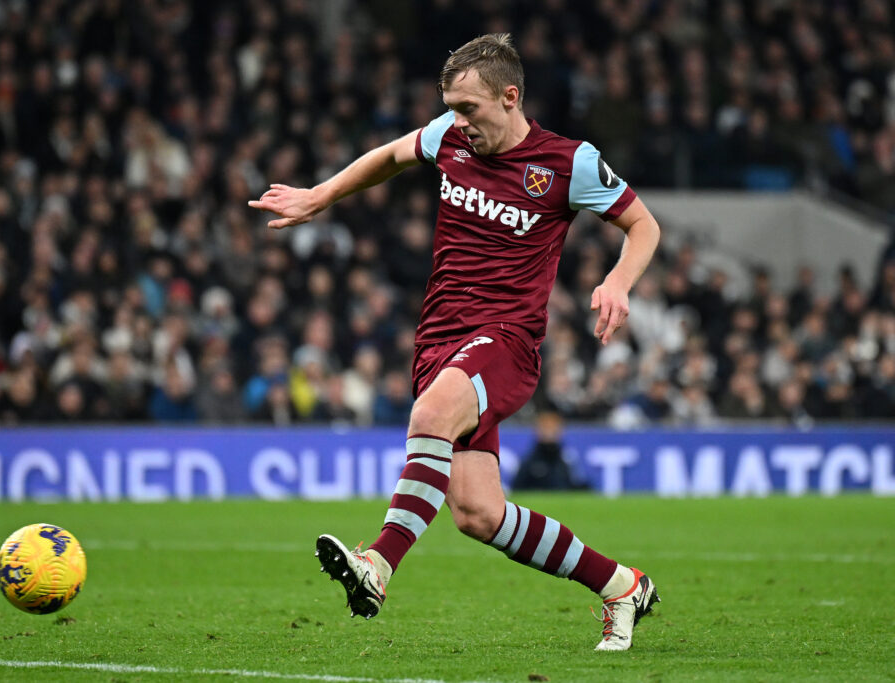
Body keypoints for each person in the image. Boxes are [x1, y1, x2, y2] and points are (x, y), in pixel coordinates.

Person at [250, 34, 661, 651]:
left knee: (430, 414)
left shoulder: (568, 163)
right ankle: (622, 585)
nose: (458, 121)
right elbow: (390, 157)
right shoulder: (448, 134)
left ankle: (378, 565)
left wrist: (618, 281)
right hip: (439, 338)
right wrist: (320, 196)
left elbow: (643, 224)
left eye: (469, 108)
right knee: (478, 514)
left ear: (510, 96)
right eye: (451, 107)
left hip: (507, 340)